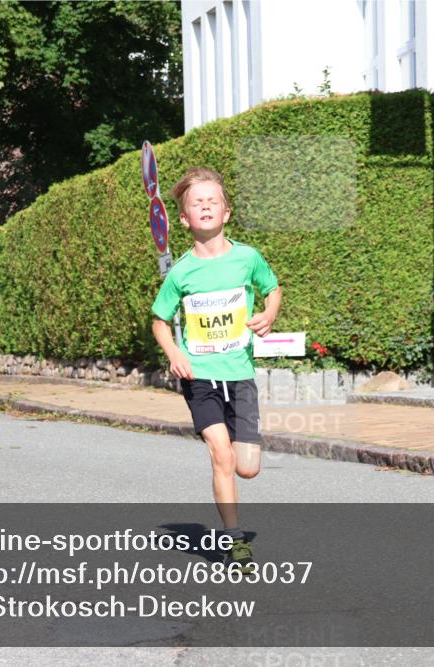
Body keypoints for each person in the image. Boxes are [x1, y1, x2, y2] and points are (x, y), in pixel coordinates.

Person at [150, 167, 282, 573]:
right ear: (184, 218)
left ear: (226, 212)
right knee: (221, 455)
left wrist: (269, 314)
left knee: (248, 467)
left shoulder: (248, 258)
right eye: (197, 203)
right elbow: (159, 320)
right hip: (200, 376)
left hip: (239, 374)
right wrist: (174, 352)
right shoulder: (181, 272)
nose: (205, 206)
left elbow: (272, 288)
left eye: (212, 201)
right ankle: (236, 541)